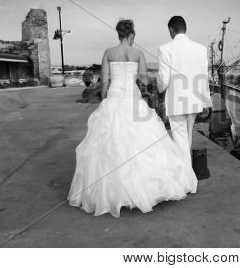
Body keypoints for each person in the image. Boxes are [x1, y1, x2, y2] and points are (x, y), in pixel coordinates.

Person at [67, 19, 197, 218]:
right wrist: (150, 83)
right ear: (131, 35)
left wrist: (104, 100)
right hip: (133, 98)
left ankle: (114, 192)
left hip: (115, 97)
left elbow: (104, 82)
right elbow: (144, 79)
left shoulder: (108, 53)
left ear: (119, 34)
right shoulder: (138, 53)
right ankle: (146, 188)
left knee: (110, 143)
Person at [157, 16, 212, 160]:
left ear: (171, 29)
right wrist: (206, 102)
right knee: (187, 140)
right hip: (194, 102)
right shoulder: (200, 49)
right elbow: (204, 77)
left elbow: (163, 79)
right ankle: (188, 174)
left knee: (180, 142)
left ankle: (186, 177)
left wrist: (159, 89)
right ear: (185, 29)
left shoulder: (165, 49)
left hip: (176, 103)